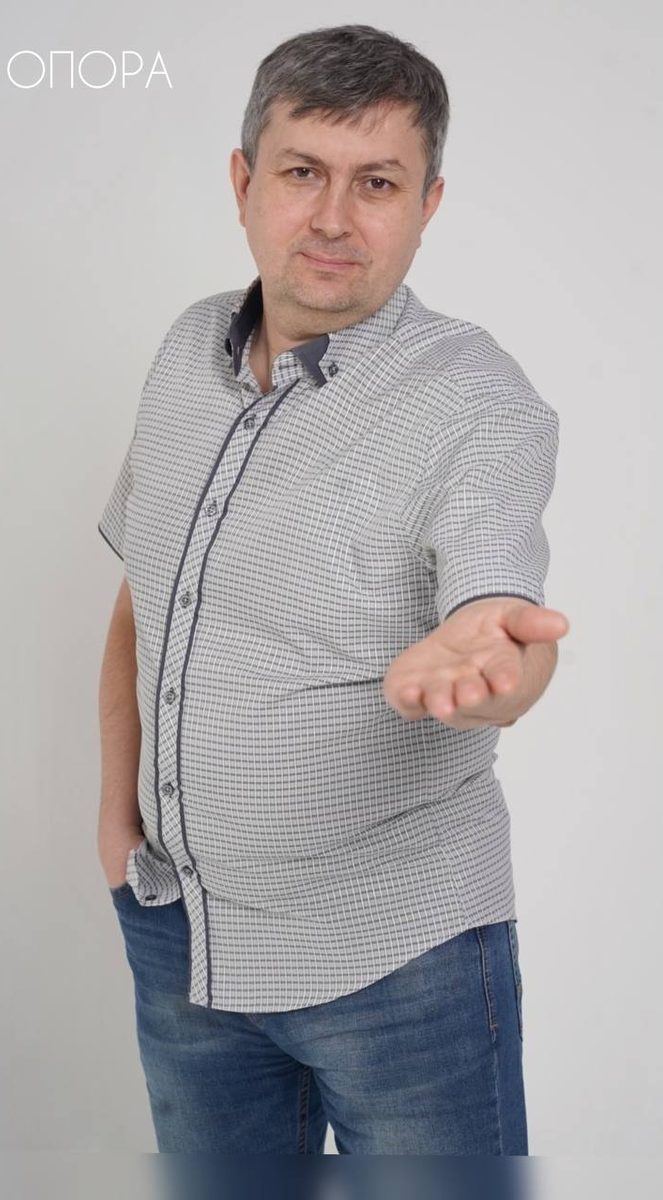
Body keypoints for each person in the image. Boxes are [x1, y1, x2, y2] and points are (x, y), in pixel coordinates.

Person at [96, 23, 569, 1155]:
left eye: (378, 183)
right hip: (182, 940)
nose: (333, 218)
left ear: (427, 204)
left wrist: (491, 664)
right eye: (303, 171)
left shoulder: (476, 398)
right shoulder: (184, 353)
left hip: (400, 969)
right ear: (243, 183)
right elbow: (143, 600)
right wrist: (117, 825)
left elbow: (501, 625)